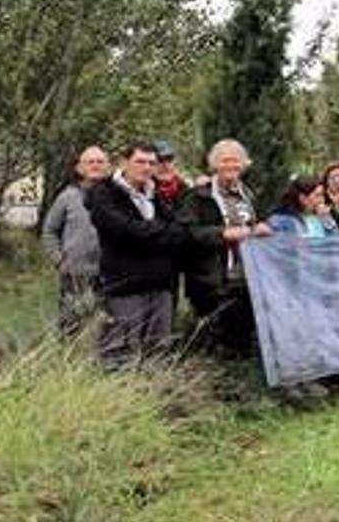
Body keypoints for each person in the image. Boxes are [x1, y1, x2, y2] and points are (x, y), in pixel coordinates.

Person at [87, 142, 241, 369]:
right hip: (124, 286)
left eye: (151, 163)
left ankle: (153, 401)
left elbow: (179, 230)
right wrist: (158, 233)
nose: (147, 167)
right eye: (140, 161)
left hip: (161, 285)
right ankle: (117, 401)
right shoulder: (105, 193)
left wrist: (152, 233)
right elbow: (126, 231)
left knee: (158, 353)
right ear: (124, 162)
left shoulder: (155, 194)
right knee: (120, 354)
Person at [177, 139, 271, 356]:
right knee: (215, 342)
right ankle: (215, 385)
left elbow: (254, 224)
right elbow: (187, 233)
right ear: (215, 165)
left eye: (236, 162)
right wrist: (223, 234)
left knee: (242, 339)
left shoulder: (248, 194)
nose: (231, 166)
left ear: (244, 165)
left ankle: (243, 384)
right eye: (225, 161)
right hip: (213, 279)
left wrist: (263, 226)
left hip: (247, 278)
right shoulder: (198, 196)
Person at [41, 145, 110, 339]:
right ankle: (67, 360)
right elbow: (49, 231)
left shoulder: (117, 195)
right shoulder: (67, 197)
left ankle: (101, 360)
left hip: (109, 271)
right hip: (75, 272)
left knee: (105, 320)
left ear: (108, 167)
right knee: (71, 322)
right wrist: (59, 260)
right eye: (90, 162)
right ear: (79, 168)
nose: (95, 165)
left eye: (100, 161)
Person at [268, 175, 334, 238]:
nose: (321, 200)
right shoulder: (283, 220)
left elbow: (336, 242)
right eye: (317, 195)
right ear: (303, 198)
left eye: (322, 195)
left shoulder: (322, 219)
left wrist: (327, 219)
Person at [151, 140, 188, 205]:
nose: (166, 165)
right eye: (160, 160)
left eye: (169, 159)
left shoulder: (186, 191)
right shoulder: (144, 193)